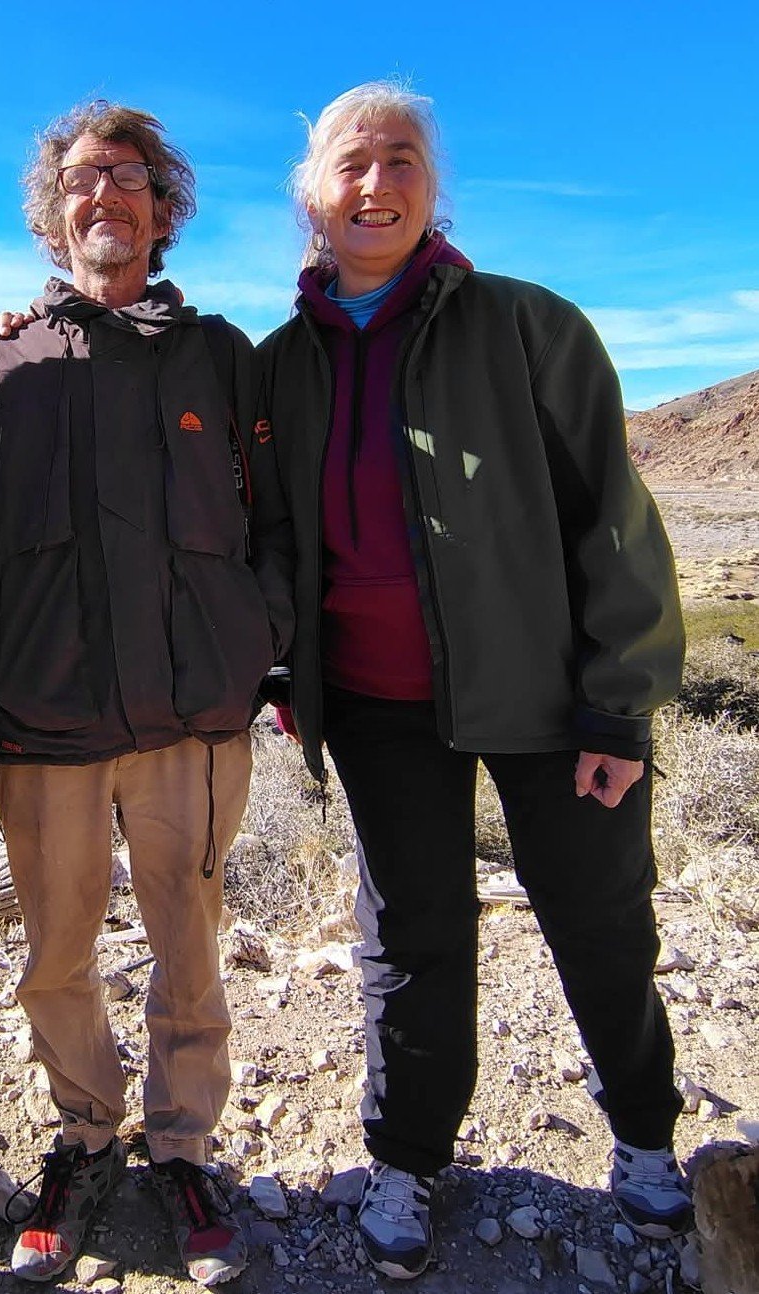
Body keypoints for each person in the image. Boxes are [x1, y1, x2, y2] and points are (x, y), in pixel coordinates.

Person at [258, 81, 690, 1281]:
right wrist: (283, 666)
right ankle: (405, 1155)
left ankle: (643, 1135)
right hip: (375, 704)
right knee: (409, 933)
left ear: (432, 187)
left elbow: (612, 518)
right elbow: (270, 534)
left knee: (599, 917)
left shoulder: (525, 325)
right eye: (350, 162)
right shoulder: (279, 365)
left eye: (401, 158)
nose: (375, 183)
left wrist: (618, 702)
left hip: (548, 697)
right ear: (310, 195)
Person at [0, 100, 294, 1286]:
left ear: (162, 206)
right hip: (46, 719)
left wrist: (257, 639)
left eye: (128, 177)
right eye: (82, 180)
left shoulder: (220, 353)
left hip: (193, 717)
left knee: (189, 942)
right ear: (54, 212)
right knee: (55, 953)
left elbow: (273, 520)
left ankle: (183, 1147)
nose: (105, 195)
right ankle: (86, 1137)